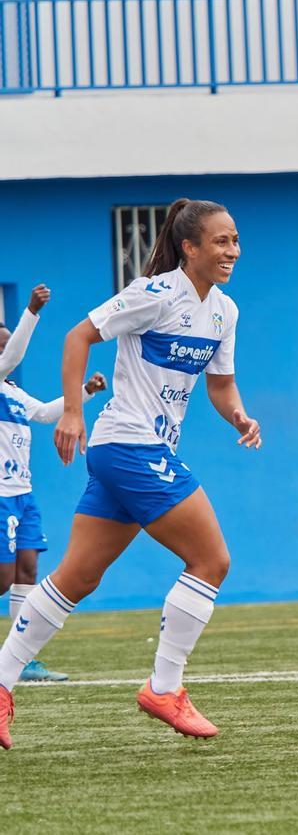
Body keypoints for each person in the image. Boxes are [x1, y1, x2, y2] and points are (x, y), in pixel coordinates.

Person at [0, 198, 262, 750]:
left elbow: (220, 384)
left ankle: (0, 684)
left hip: (132, 452)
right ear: (189, 247)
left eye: (235, 240)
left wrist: (237, 413)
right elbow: (78, 337)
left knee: (76, 578)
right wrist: (72, 410)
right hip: (128, 445)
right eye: (220, 241)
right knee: (212, 560)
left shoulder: (225, 312)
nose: (231, 250)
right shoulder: (155, 293)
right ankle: (164, 687)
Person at [0, 290, 108, 683]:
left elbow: (47, 413)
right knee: (2, 575)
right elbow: (11, 358)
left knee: (28, 568)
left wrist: (86, 393)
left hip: (22, 494)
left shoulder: (11, 393)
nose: (6, 353)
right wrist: (31, 312)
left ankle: (20, 659)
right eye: (0, 345)